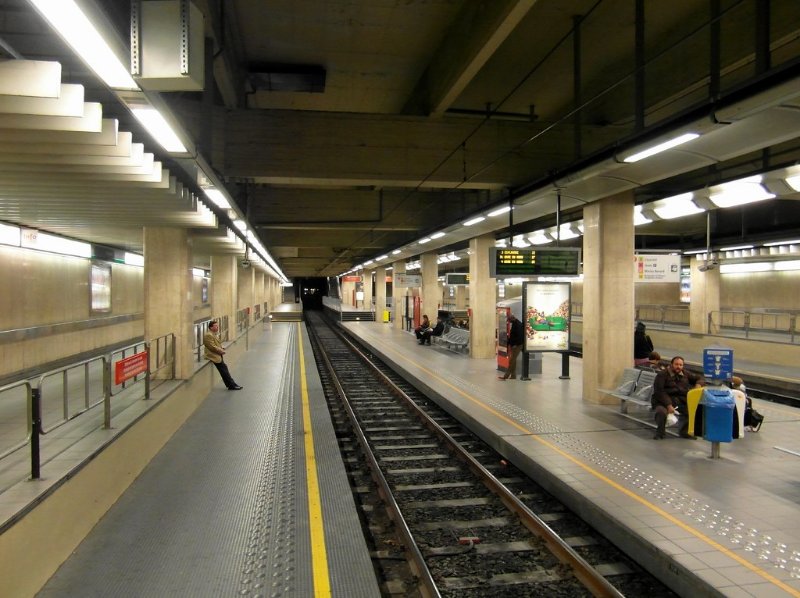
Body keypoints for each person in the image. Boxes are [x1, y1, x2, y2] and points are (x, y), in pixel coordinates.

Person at [652, 355, 704, 439]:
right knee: (661, 412)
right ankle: (660, 433)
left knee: (691, 409)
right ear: (671, 364)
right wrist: (668, 405)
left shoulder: (685, 373)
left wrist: (698, 384)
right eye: (676, 364)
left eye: (680, 365)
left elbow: (700, 378)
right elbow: (659, 392)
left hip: (679, 401)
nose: (678, 367)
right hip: (662, 401)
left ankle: (684, 432)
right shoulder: (662, 375)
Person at [203, 320, 243, 390]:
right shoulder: (208, 335)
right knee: (224, 371)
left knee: (225, 370)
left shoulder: (213, 334)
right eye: (216, 326)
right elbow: (211, 346)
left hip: (217, 354)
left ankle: (232, 384)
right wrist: (221, 351)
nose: (217, 327)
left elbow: (215, 344)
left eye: (217, 325)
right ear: (211, 327)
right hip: (213, 355)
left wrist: (221, 348)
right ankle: (232, 385)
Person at [498, 313, 524, 381]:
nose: (509, 321)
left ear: (512, 318)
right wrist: (509, 343)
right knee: (513, 361)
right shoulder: (515, 323)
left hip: (518, 345)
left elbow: (520, 337)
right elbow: (513, 335)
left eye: (509, 320)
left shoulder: (518, 324)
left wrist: (515, 344)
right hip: (514, 345)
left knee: (511, 361)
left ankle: (506, 376)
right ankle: (513, 376)